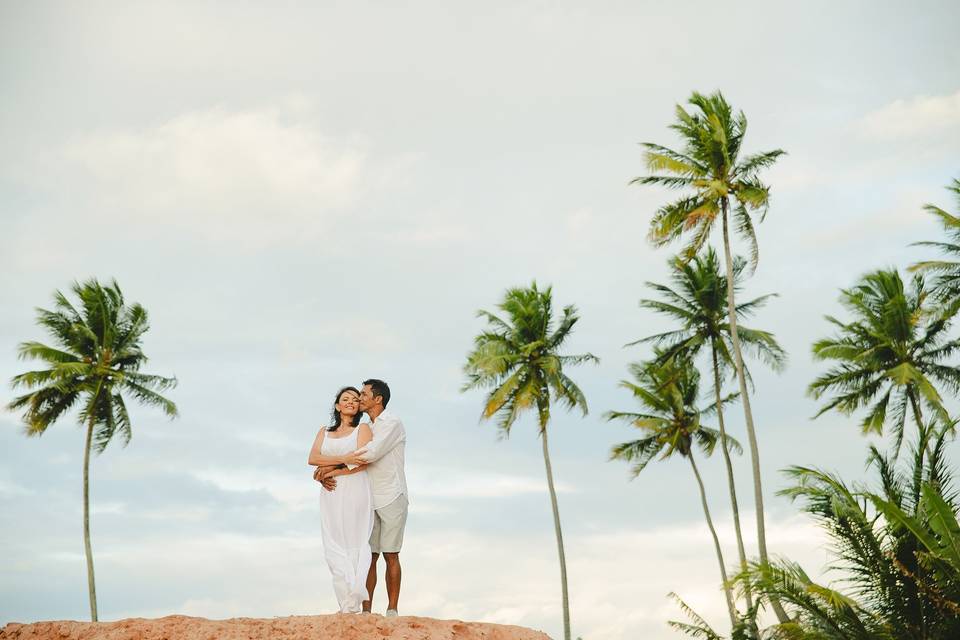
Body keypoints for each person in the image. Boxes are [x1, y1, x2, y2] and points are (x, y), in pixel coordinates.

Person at [324, 379, 407, 617]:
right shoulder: (368, 426)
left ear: (377, 399)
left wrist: (330, 467)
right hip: (369, 496)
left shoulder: (391, 422)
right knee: (369, 555)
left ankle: (392, 609)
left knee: (391, 554)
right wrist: (330, 470)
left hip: (392, 494)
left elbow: (370, 453)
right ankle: (367, 610)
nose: (359, 398)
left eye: (363, 394)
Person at [307, 387, 373, 613]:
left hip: (355, 488)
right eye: (345, 399)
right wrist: (341, 459)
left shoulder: (362, 429)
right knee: (333, 543)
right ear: (337, 406)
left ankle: (353, 602)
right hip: (331, 494)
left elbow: (364, 460)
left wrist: (330, 470)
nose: (351, 402)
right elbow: (313, 458)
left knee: (354, 540)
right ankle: (344, 602)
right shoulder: (324, 431)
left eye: (355, 400)